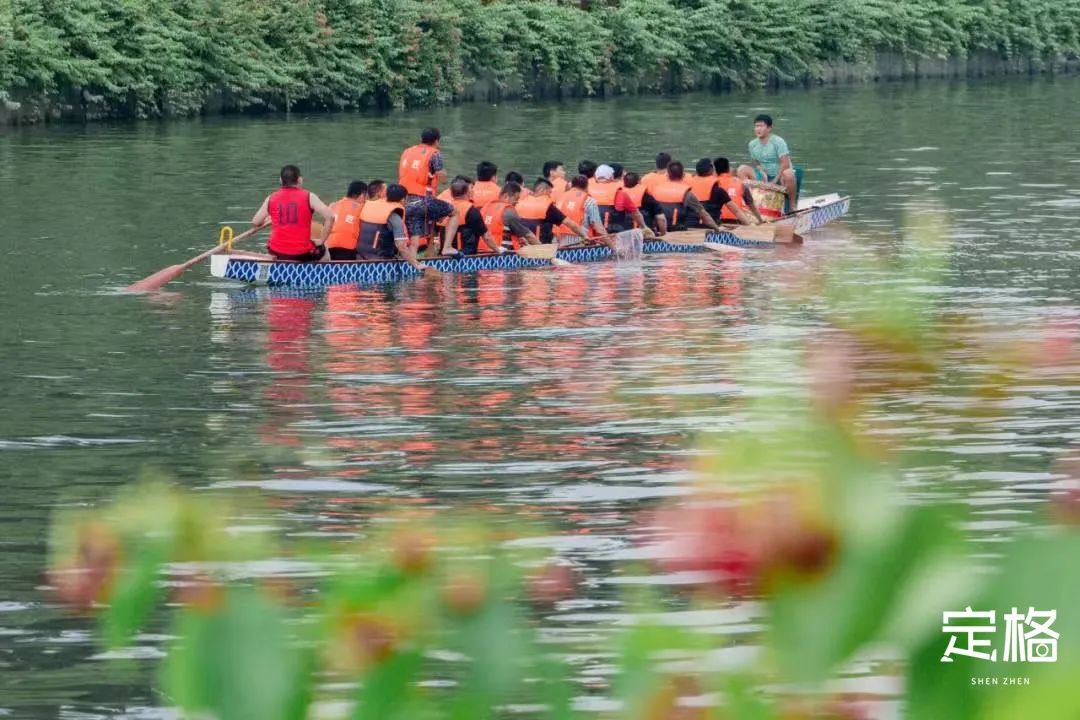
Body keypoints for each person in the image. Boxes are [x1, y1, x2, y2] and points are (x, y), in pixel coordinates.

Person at [251, 164, 336, 262]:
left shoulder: (271, 198)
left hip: (275, 251)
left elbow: (255, 222)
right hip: (301, 254)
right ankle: (317, 274)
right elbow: (330, 217)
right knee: (324, 248)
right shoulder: (309, 197)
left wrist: (266, 220)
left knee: (275, 246)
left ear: (280, 180)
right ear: (300, 180)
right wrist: (321, 240)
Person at [397, 127, 460, 255]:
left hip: (405, 202)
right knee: (455, 213)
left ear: (421, 139)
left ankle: (415, 262)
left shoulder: (407, 151)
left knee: (415, 239)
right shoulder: (434, 153)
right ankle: (447, 247)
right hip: (424, 201)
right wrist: (443, 174)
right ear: (437, 141)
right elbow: (441, 175)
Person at [356, 183, 429, 272]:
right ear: (403, 199)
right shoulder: (395, 217)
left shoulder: (368, 204)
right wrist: (416, 264)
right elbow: (401, 247)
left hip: (358, 256)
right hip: (379, 262)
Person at [737, 114, 800, 210]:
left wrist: (775, 180)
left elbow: (785, 163)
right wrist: (761, 170)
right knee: (741, 169)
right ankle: (751, 204)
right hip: (764, 177)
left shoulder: (778, 141)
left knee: (789, 173)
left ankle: (792, 206)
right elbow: (756, 162)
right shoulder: (752, 144)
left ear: (769, 128)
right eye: (756, 126)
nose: (758, 129)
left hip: (780, 177)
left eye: (761, 126)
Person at [649, 161, 730, 231]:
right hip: (677, 232)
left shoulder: (656, 190)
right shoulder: (687, 194)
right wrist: (717, 228)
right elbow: (704, 216)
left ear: (667, 175)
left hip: (659, 230)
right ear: (683, 175)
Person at [516, 178, 589, 244]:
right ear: (543, 190)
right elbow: (569, 223)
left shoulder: (520, 203)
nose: (550, 196)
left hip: (521, 244)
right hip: (539, 247)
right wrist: (584, 236)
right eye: (549, 192)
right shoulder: (546, 206)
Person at [441, 177, 503, 255]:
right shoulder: (471, 210)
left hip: (443, 255)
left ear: (452, 194)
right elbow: (486, 236)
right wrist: (498, 251)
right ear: (468, 193)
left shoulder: (445, 208)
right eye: (471, 189)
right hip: (464, 257)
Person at [689, 158, 758, 226]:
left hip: (692, 224)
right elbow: (736, 211)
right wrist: (750, 225)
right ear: (711, 170)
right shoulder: (719, 190)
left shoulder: (689, 188)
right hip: (714, 224)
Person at [554, 175, 612, 249]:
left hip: (557, 242)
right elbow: (599, 229)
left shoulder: (560, 198)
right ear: (586, 187)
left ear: (572, 185)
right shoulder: (589, 201)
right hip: (580, 244)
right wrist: (613, 247)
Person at [480, 182, 542, 251]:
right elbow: (528, 235)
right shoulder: (508, 211)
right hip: (499, 255)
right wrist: (544, 251)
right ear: (506, 196)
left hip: (481, 251)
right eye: (516, 198)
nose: (517, 202)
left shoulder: (485, 208)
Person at [325, 180, 368, 260]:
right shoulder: (362, 207)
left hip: (328, 247)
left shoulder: (332, 205)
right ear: (362, 195)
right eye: (366, 196)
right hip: (348, 248)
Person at [714, 157, 762, 224]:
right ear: (728, 169)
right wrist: (760, 220)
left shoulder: (711, 184)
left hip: (716, 221)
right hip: (736, 221)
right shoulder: (740, 183)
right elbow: (751, 205)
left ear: (715, 171)